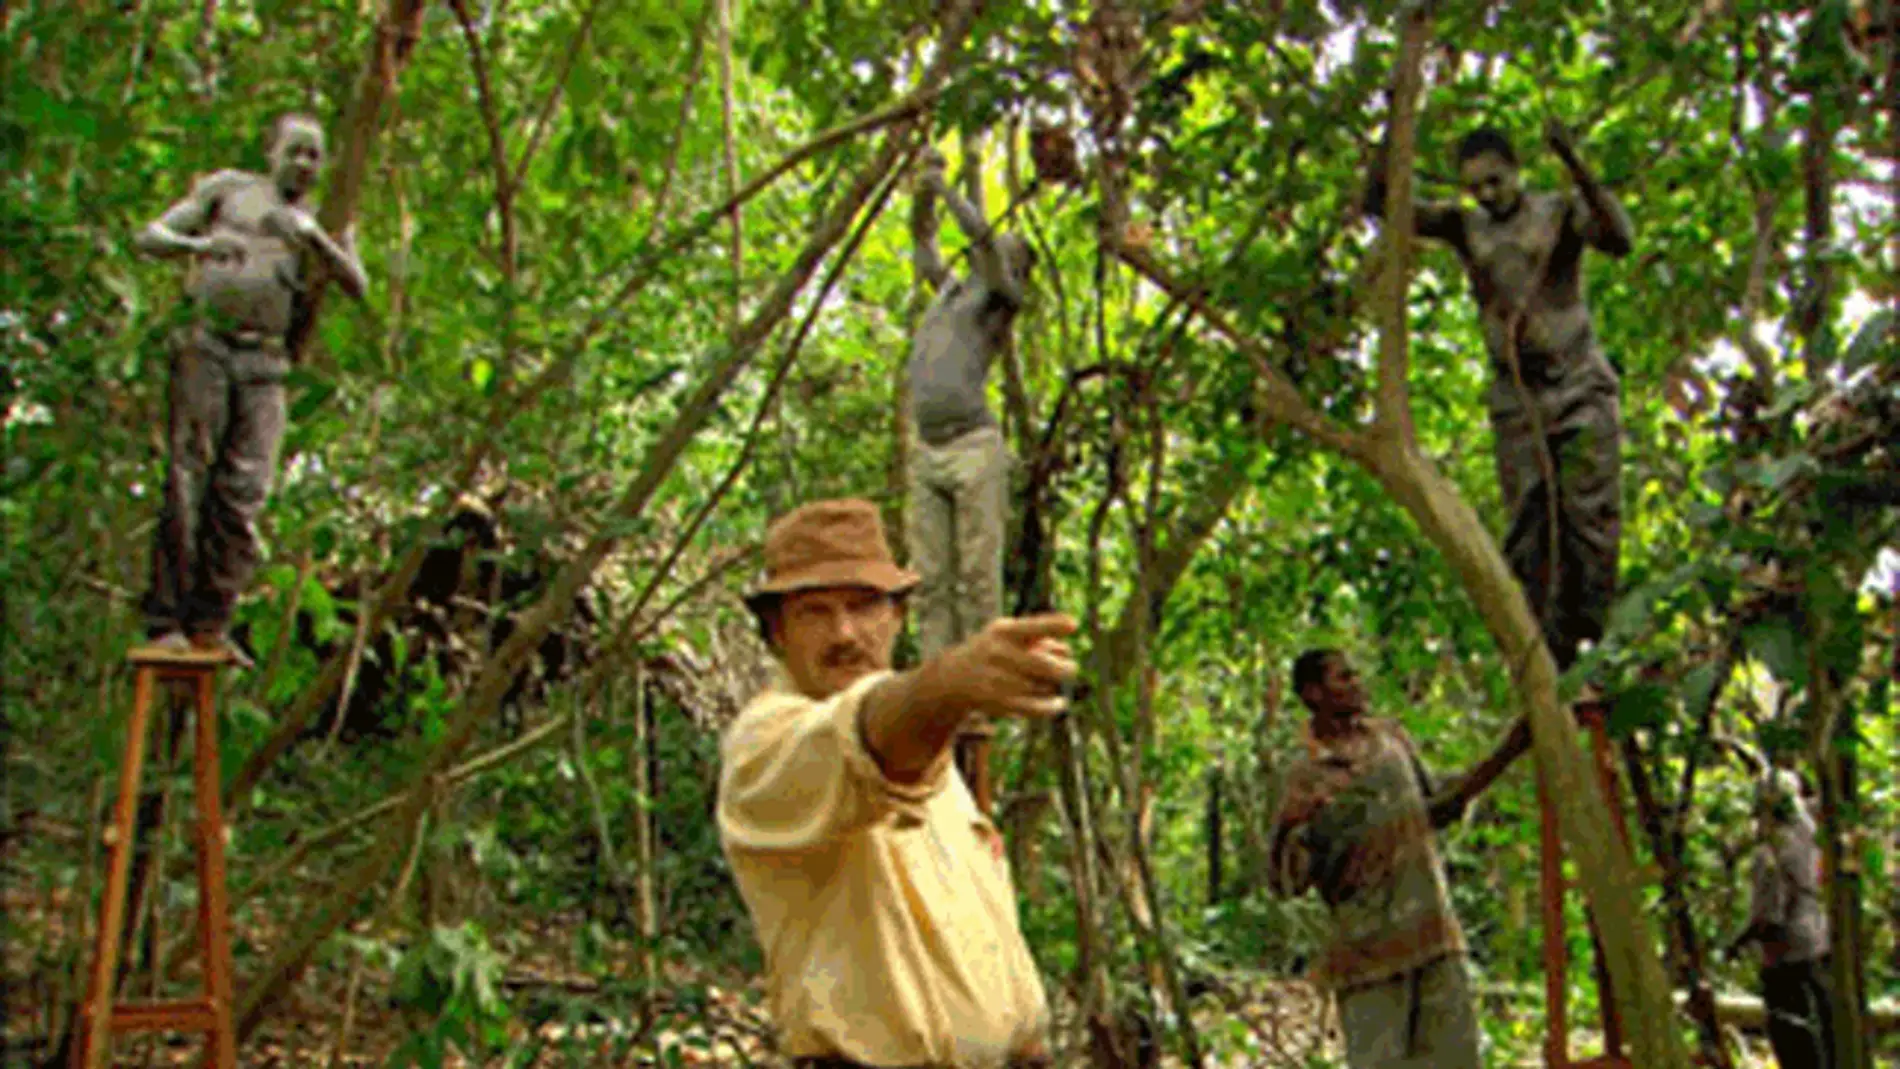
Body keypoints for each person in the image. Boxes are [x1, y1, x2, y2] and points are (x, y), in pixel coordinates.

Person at [717, 498, 1074, 1068]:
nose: (844, 633)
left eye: (863, 606)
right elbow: (861, 741)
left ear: (897, 616)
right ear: (777, 631)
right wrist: (947, 687)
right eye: (814, 612)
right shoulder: (765, 746)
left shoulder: (930, 755)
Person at [1364, 118, 1632, 674]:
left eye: (1495, 182)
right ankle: (1544, 652)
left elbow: (1619, 239)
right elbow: (1379, 203)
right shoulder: (1465, 226)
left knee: (1590, 516)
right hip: (1518, 396)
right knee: (1529, 524)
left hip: (1578, 383)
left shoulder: (1557, 212)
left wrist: (1576, 163)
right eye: (1476, 187)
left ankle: (1598, 640)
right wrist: (1394, 122)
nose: (1487, 196)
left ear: (1516, 171)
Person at [135, 113, 369, 664]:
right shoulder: (231, 191)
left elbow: (357, 285)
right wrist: (198, 246)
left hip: (266, 363)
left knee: (246, 491)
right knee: (188, 473)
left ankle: (211, 620)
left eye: (315, 154)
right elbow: (150, 236)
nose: (305, 164)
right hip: (209, 348)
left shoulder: (325, 219)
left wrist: (316, 241)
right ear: (271, 152)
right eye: (295, 151)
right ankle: (165, 618)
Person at [1268, 649, 1530, 1069]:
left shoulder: (1390, 741)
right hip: (1366, 954)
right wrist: (1287, 825)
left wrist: (1507, 752)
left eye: (1355, 674)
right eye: (1343, 677)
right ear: (1312, 693)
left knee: (1455, 1058)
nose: (1357, 683)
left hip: (1433, 933)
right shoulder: (1307, 775)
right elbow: (1286, 882)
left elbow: (1439, 805)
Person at [1727, 768, 1836, 1068]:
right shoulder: (1810, 837)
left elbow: (1769, 916)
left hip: (1786, 954)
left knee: (1792, 1033)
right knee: (1821, 1027)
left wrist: (1737, 943)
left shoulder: (1770, 852)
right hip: (1818, 940)